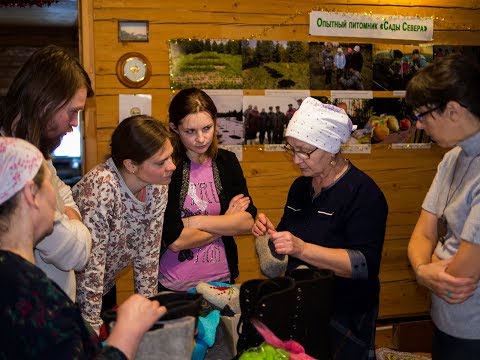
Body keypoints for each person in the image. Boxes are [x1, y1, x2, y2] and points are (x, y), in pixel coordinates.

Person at [0, 137, 167, 359]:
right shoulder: (31, 294)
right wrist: (126, 333)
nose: (63, 195)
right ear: (32, 195)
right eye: (51, 183)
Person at [252, 97, 388, 359]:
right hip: (303, 303)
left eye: (305, 151)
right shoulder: (301, 187)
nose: (296, 159)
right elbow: (287, 244)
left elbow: (364, 265)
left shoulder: (363, 193)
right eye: (291, 149)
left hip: (346, 312)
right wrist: (272, 237)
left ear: (332, 147)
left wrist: (302, 248)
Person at [0, 45, 92, 300]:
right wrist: (74, 218)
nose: (75, 123)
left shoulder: (35, 150)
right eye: (72, 111)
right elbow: (76, 252)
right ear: (45, 101)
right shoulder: (12, 165)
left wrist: (66, 212)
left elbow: (64, 192)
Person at [406, 54, 480, 359]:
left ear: (452, 110)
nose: (420, 124)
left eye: (422, 115)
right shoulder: (453, 157)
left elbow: (461, 273)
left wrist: (425, 266)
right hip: (446, 322)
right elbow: (422, 234)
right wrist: (424, 270)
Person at [72, 115, 175, 333]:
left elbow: (148, 256)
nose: (172, 166)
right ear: (131, 165)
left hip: (104, 284)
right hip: (69, 289)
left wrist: (148, 320)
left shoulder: (157, 185)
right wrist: (90, 329)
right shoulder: (101, 188)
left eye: (170, 157)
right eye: (161, 162)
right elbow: (91, 267)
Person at [160, 88, 257, 291]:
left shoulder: (226, 161)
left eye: (207, 128)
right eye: (190, 132)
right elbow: (175, 240)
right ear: (174, 128)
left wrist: (194, 222)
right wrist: (225, 222)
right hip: (175, 287)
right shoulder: (167, 167)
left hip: (222, 282)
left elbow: (247, 221)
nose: (201, 139)